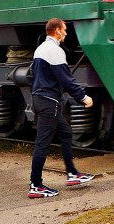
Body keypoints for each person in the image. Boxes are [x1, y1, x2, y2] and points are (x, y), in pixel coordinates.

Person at [28, 18, 95, 199]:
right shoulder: (54, 51)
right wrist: (83, 97)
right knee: (42, 143)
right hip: (49, 102)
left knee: (65, 133)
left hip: (42, 99)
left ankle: (72, 173)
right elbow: (66, 79)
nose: (66, 33)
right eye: (64, 29)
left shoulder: (41, 49)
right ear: (57, 30)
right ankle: (36, 185)